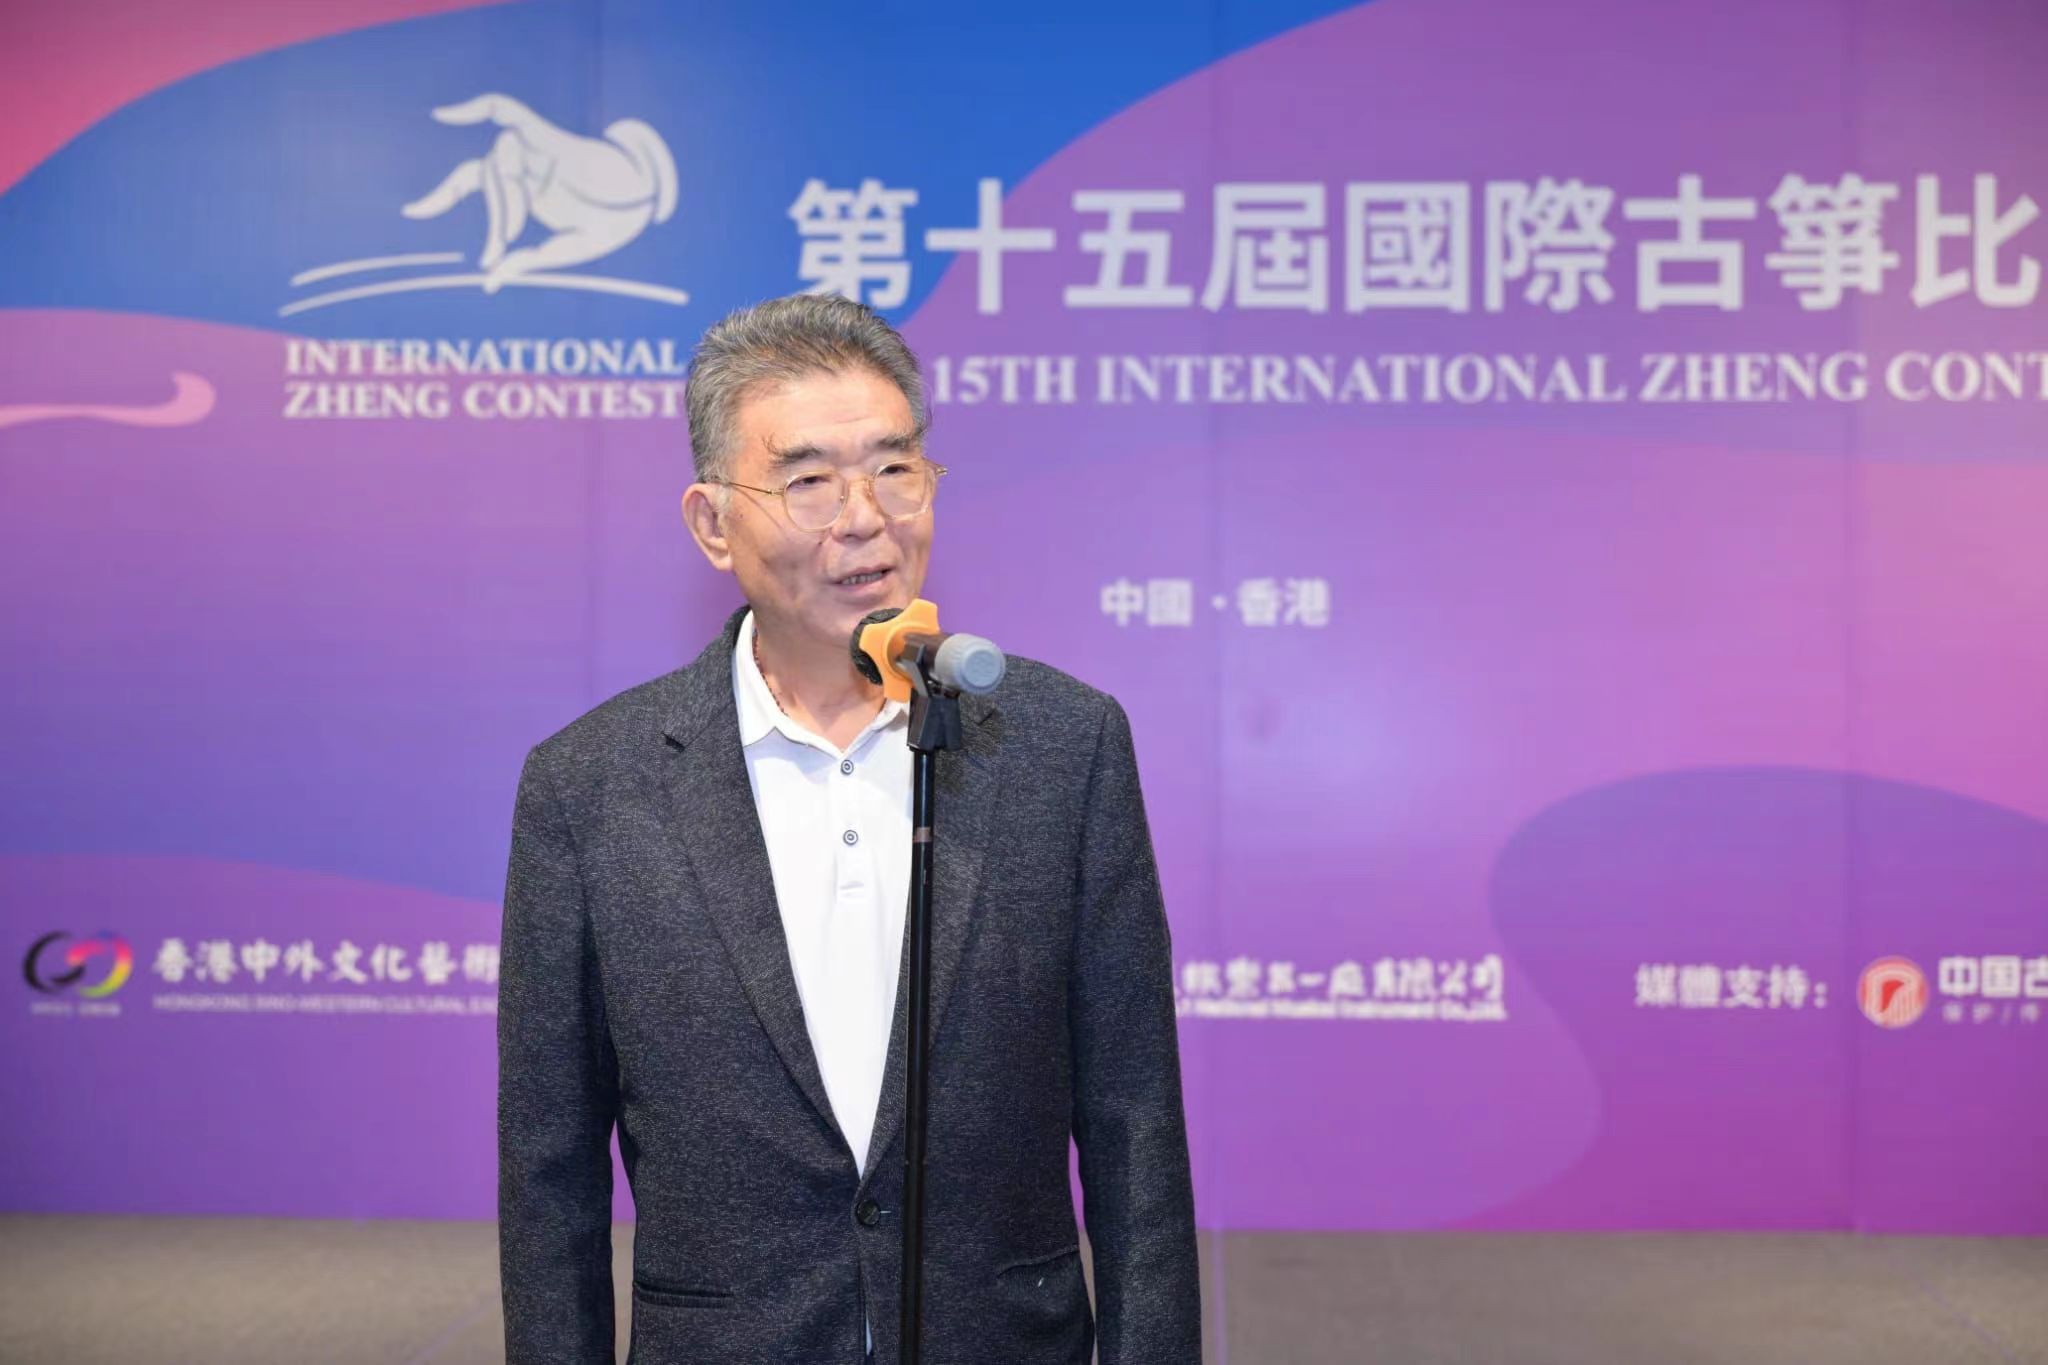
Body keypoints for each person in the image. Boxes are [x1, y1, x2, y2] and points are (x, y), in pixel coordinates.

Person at [498, 294, 1200, 1363]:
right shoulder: (589, 786)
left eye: (893, 467)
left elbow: (1133, 1123)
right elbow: (548, 1171)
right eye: (809, 480)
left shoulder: (1063, 746)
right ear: (712, 523)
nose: (865, 516)